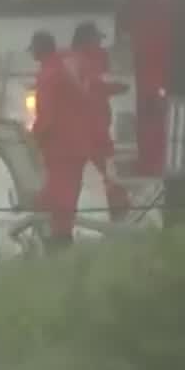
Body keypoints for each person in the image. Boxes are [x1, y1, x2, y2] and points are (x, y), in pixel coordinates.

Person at [28, 29, 90, 250]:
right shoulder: (65, 68)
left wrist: (33, 138)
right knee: (67, 193)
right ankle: (63, 237)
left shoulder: (48, 74)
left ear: (39, 50)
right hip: (79, 143)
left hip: (60, 146)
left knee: (58, 195)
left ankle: (60, 241)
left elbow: (47, 116)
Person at [67, 21, 134, 221]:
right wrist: (114, 88)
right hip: (91, 130)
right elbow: (91, 87)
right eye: (97, 39)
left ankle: (65, 216)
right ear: (87, 40)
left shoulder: (81, 60)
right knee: (107, 173)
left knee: (88, 176)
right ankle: (120, 214)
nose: (99, 44)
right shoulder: (81, 61)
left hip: (89, 129)